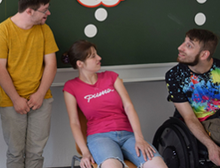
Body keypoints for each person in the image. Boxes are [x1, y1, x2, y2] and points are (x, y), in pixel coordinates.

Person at [63, 40, 166, 168]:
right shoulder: (71, 87)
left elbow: (129, 107)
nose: (99, 58)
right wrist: (85, 152)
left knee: (157, 164)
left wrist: (139, 138)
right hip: (100, 137)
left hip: (128, 135)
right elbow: (74, 122)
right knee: (112, 166)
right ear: (80, 64)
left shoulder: (111, 77)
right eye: (93, 56)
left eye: (97, 54)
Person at [0, 0, 58, 168]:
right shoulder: (2, 31)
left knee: (36, 153)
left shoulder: (44, 30)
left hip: (41, 100)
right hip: (11, 101)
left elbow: (51, 64)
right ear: (29, 11)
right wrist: (16, 99)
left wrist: (41, 94)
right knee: (15, 153)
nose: (48, 13)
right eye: (44, 10)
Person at [166, 28, 220, 166]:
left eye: (189, 45)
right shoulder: (175, 76)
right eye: (184, 43)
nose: (180, 48)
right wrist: (210, 145)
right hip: (204, 122)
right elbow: (189, 117)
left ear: (204, 54)